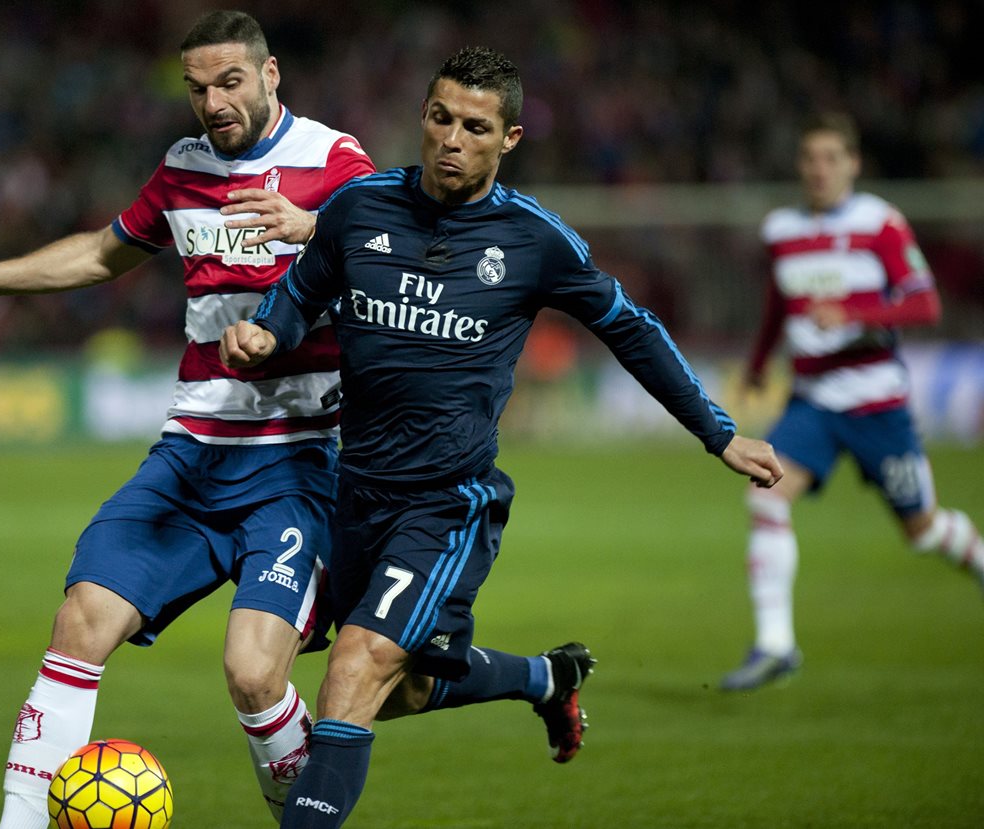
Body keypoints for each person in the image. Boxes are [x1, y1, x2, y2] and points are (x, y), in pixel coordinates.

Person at [221, 46, 783, 827]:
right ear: (424, 115)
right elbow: (299, 293)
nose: (452, 138)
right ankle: (544, 679)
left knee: (354, 668)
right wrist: (265, 335)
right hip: (358, 495)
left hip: (447, 504)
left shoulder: (533, 240)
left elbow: (632, 329)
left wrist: (716, 432)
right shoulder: (360, 207)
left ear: (509, 139)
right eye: (441, 118)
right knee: (403, 687)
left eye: (475, 127)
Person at [0, 11, 379, 827]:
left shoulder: (334, 162)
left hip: (298, 461)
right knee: (81, 619)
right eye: (196, 88)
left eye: (228, 82)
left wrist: (320, 228)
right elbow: (100, 251)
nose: (212, 102)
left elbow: (403, 249)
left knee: (256, 675)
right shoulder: (182, 169)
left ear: (270, 75)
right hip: (191, 453)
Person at [720, 113, 984, 691]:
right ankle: (775, 645)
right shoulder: (781, 229)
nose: (820, 169)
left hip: (875, 403)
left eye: (831, 158)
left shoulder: (880, 223)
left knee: (924, 531)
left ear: (853, 164)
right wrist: (760, 363)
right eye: (810, 158)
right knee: (765, 495)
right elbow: (778, 304)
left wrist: (855, 314)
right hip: (811, 402)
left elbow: (924, 305)